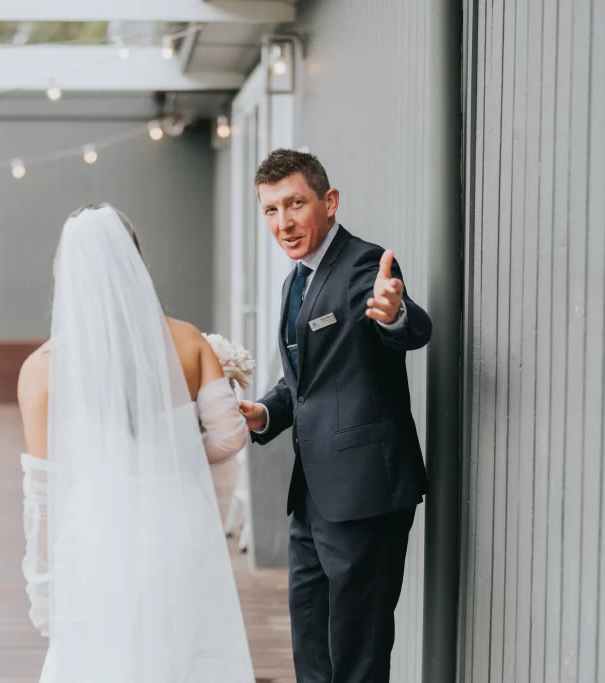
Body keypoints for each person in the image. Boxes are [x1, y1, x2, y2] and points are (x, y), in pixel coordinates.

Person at [16, 204, 255, 682]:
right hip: (177, 520)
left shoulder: (41, 368)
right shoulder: (187, 341)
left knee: (99, 659)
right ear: (135, 262)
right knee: (179, 654)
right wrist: (175, 455)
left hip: (96, 529)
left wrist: (42, 588)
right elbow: (231, 436)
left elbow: (42, 491)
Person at [238, 149, 432, 683]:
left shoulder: (363, 266)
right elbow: (308, 382)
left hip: (365, 495)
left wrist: (394, 314)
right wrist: (265, 413)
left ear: (329, 201)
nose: (284, 222)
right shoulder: (295, 280)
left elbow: (408, 325)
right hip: (313, 499)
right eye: (271, 210)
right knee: (312, 650)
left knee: (357, 654)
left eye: (295, 204)